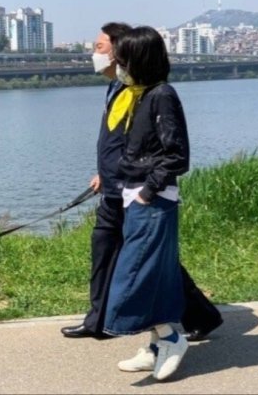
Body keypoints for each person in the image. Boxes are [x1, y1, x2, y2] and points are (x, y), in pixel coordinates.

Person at [61, 23, 222, 342]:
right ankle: (100, 321)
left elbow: (160, 150)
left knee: (147, 259)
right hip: (114, 186)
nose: (95, 53)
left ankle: (190, 320)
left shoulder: (143, 91)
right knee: (108, 250)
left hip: (132, 192)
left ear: (124, 51)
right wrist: (103, 173)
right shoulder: (116, 89)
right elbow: (118, 142)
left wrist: (144, 191)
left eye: (100, 47)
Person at [102, 25, 193, 380]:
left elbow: (177, 156)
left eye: (122, 59)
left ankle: (171, 337)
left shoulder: (161, 96)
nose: (117, 65)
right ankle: (156, 344)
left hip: (152, 200)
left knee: (133, 276)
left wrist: (146, 191)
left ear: (138, 60)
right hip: (137, 196)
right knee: (157, 277)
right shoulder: (138, 94)